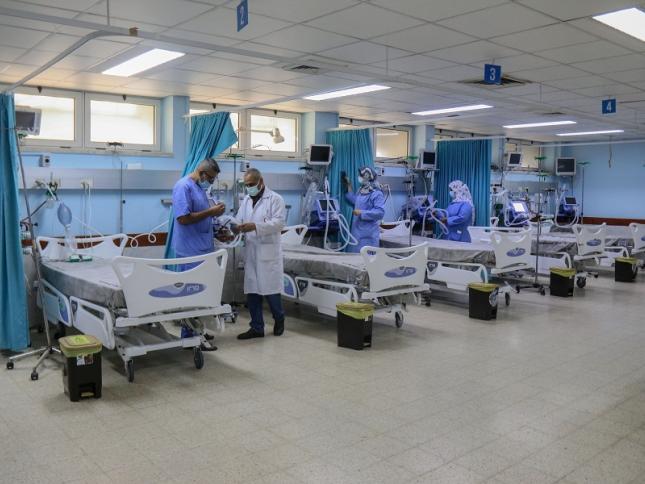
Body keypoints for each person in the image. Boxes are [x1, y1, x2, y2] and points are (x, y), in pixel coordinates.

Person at [171, 157, 225, 349]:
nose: (211, 182)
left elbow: (203, 217)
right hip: (190, 251)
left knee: (201, 295)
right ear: (202, 173)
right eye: (210, 178)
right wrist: (211, 212)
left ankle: (198, 330)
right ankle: (190, 337)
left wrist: (216, 219)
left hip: (202, 250)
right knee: (190, 295)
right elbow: (183, 218)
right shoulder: (183, 187)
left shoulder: (200, 189)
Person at [234, 168, 286, 340]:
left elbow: (279, 223)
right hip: (251, 251)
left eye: (251, 184)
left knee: (271, 292)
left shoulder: (275, 199)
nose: (248, 188)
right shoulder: (246, 200)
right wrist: (234, 227)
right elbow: (239, 219)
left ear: (261, 182)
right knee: (252, 292)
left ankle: (279, 319)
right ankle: (257, 327)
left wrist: (255, 226)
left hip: (268, 253)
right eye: (246, 185)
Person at [344, 166, 386, 253]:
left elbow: (380, 213)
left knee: (367, 258)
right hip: (357, 232)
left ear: (367, 176)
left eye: (361, 176)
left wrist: (361, 212)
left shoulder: (376, 193)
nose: (359, 177)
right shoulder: (361, 190)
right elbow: (355, 200)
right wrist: (348, 184)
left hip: (368, 234)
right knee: (354, 258)